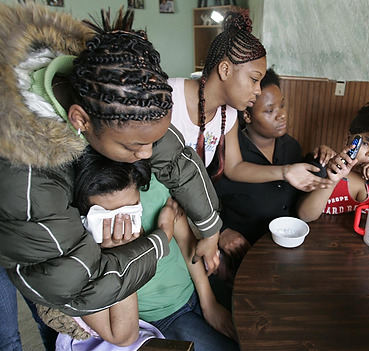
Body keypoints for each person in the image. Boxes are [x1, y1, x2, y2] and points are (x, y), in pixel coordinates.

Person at [0, 4, 220, 321]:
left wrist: (210, 228)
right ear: (80, 120)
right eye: (136, 145)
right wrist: (160, 240)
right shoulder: (26, 179)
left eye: (150, 141)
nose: (147, 155)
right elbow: (79, 286)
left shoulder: (113, 91)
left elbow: (175, 159)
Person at [51, 148, 237, 350]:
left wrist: (208, 303)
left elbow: (185, 240)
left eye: (133, 209)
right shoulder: (73, 246)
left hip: (196, 287)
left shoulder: (147, 187)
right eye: (108, 216)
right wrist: (120, 253)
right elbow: (122, 333)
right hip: (160, 317)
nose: (125, 223)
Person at [168, 10, 333, 193]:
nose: (258, 90)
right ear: (225, 70)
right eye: (254, 79)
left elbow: (235, 167)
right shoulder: (170, 95)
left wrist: (286, 171)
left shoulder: (228, 113)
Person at [214, 68, 313, 275]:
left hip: (286, 252)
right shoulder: (228, 154)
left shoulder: (292, 147)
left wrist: (319, 158)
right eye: (270, 111)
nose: (282, 115)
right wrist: (221, 232)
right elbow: (203, 201)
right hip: (243, 256)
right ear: (247, 116)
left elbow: (301, 200)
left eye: (282, 105)